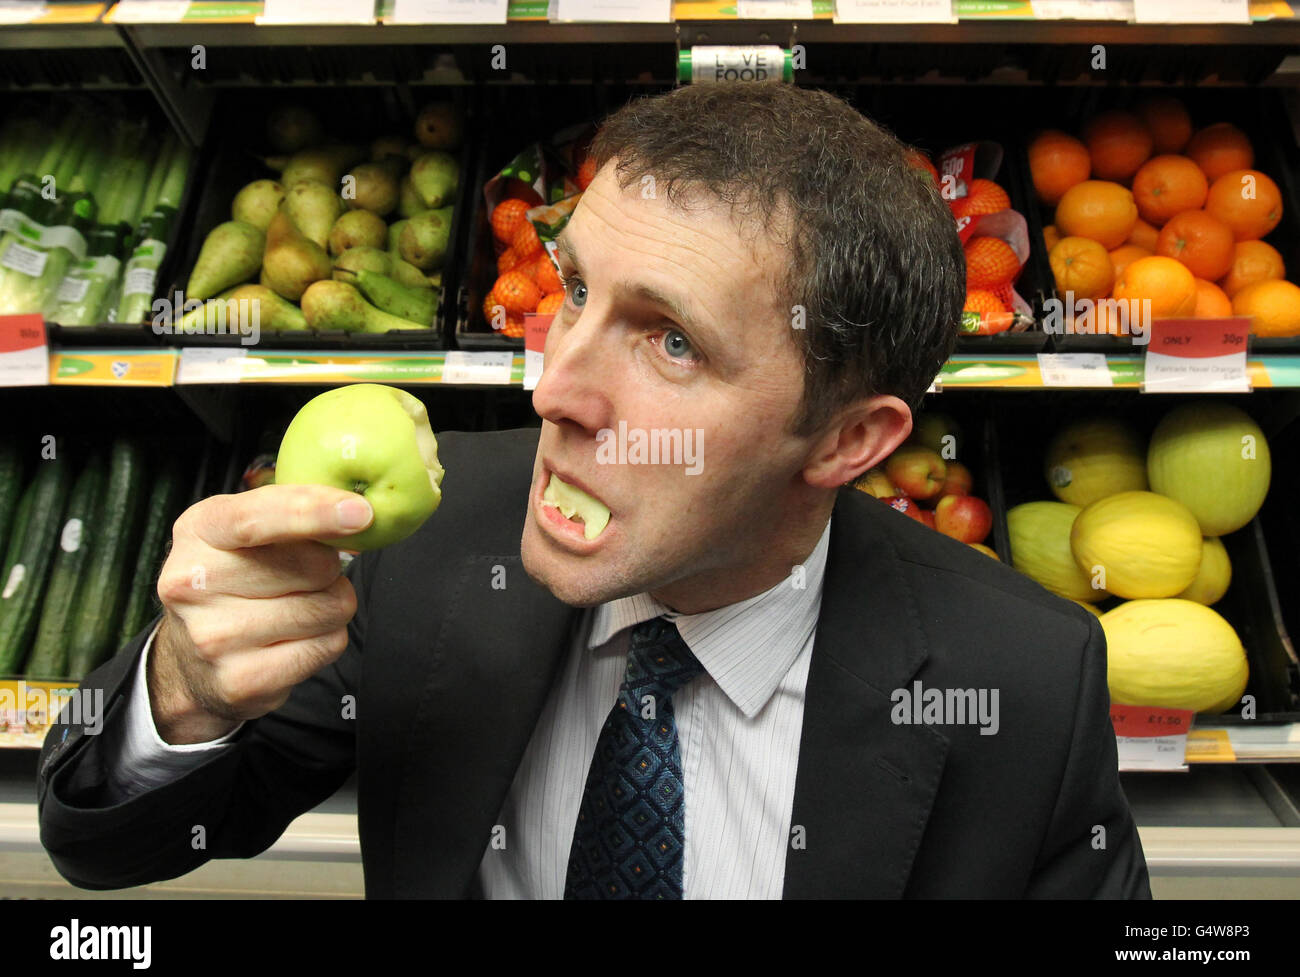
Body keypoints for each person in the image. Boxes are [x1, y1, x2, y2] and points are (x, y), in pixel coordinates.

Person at [38, 82, 1150, 899]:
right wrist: (178, 694)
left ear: (850, 440)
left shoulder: (1025, 680)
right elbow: (111, 845)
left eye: (671, 342)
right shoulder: (423, 539)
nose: (554, 385)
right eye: (572, 289)